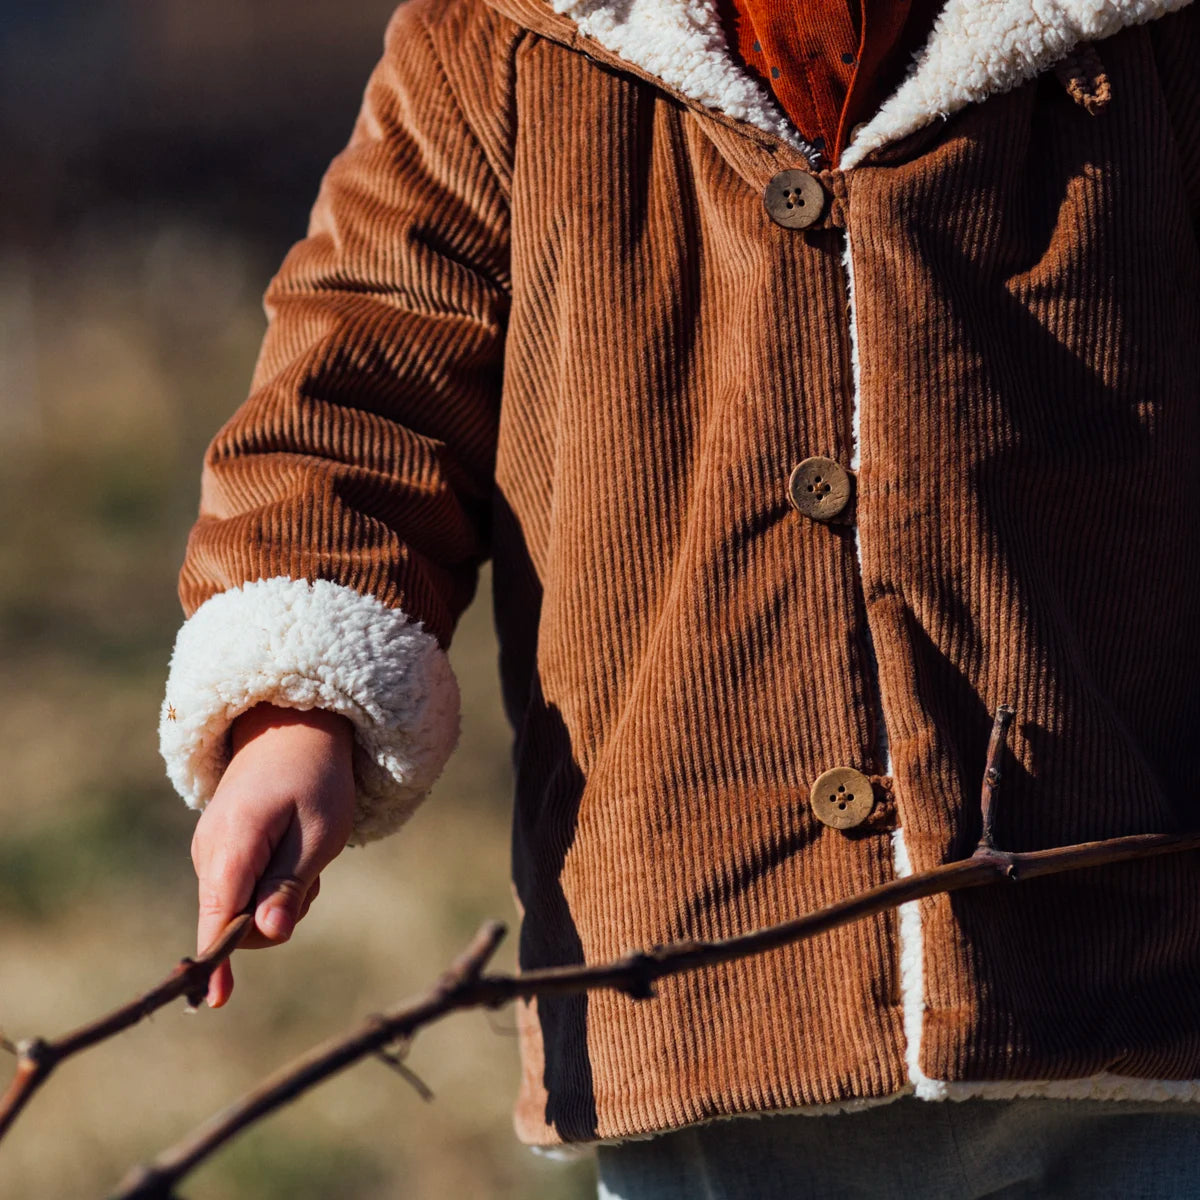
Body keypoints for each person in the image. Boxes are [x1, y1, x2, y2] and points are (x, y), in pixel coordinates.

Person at [160, 0, 1200, 1194]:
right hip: (698, 966)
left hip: (1140, 963)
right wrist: (298, 712)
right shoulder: (501, 47)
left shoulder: (1147, 38)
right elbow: (359, 394)